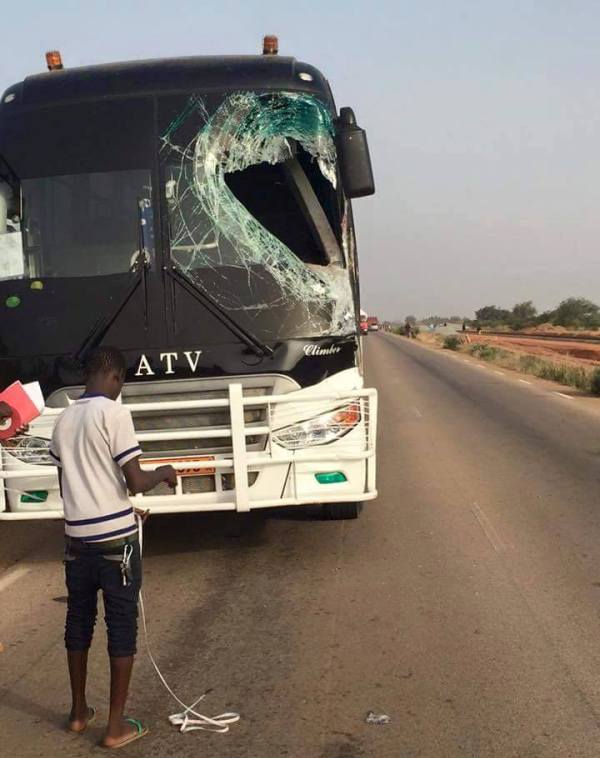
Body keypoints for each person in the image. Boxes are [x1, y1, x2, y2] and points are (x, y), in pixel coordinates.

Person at [50, 346, 177, 749]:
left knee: (78, 624)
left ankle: (76, 713)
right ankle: (115, 726)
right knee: (120, 630)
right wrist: (165, 473)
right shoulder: (114, 413)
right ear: (117, 378)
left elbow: (75, 483)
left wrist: (122, 510)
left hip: (77, 541)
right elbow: (136, 480)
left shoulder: (63, 419)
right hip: (115, 545)